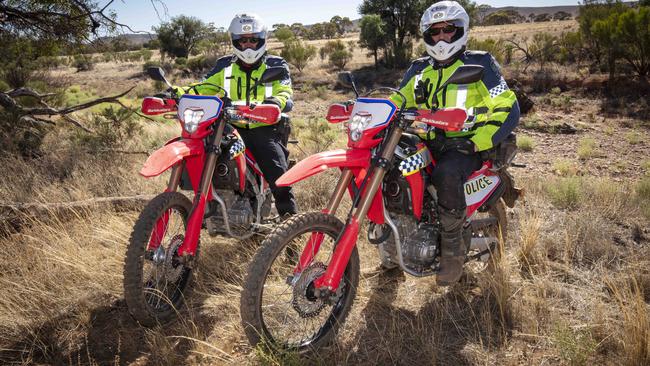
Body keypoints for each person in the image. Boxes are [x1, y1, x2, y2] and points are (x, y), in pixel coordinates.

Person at [390, 1, 520, 285]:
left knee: (446, 174)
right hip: (429, 140)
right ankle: (392, 251)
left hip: (467, 144)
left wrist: (479, 141)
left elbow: (506, 104)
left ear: (461, 31)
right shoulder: (418, 68)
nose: (441, 38)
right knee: (391, 170)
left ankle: (452, 253)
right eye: (434, 32)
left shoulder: (480, 63)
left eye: (448, 31)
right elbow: (398, 100)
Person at [175, 13, 297, 218]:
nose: (248, 45)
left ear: (262, 40)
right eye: (242, 41)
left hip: (264, 128)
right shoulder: (224, 66)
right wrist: (175, 94)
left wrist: (275, 103)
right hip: (229, 127)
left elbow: (284, 91)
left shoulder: (276, 64)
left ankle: (291, 229)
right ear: (234, 42)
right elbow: (202, 87)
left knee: (279, 177)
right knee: (203, 153)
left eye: (253, 40)